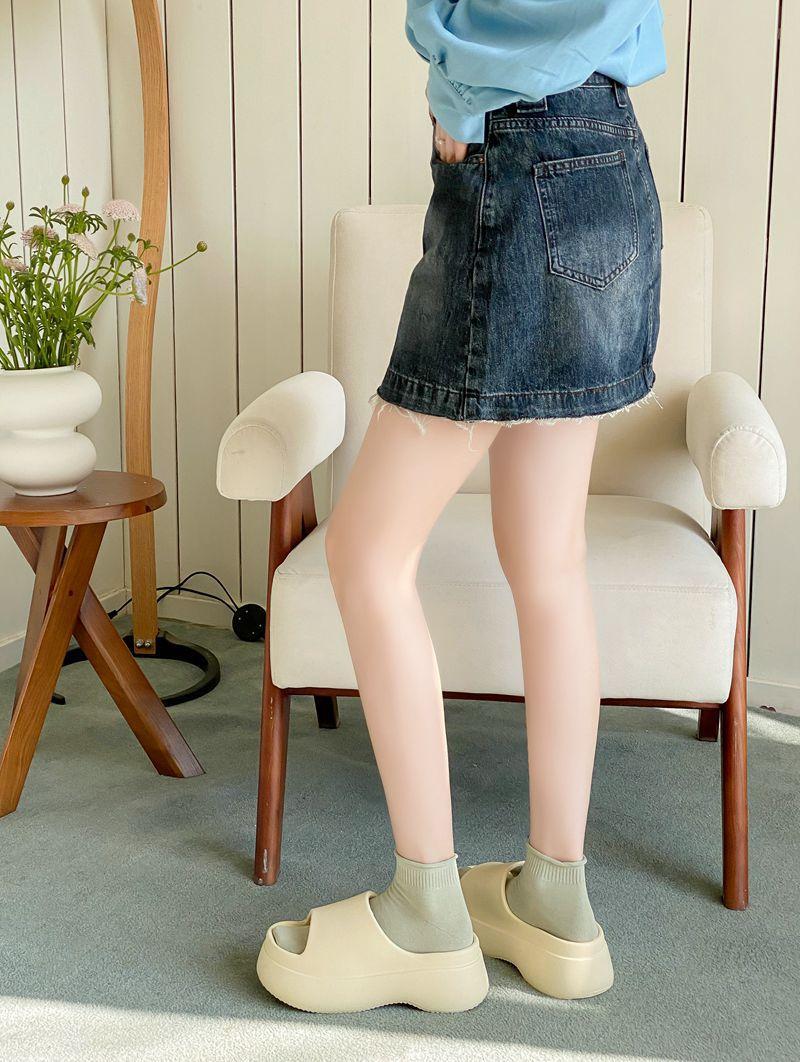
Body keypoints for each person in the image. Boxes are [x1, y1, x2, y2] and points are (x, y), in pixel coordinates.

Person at [257, 0, 666, 1014]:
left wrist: (464, 95)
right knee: (548, 559)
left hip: (516, 159)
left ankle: (426, 915)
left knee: (365, 554)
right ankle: (556, 901)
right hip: (608, 158)